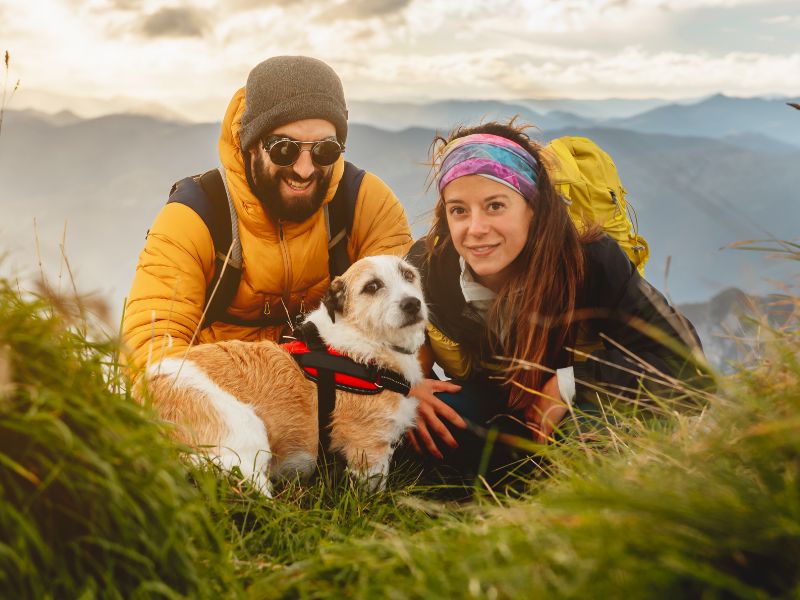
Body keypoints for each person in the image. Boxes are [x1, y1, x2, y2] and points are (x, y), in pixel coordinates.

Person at [405, 121, 706, 476]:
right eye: (459, 210)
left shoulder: (591, 261)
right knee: (413, 422)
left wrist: (570, 384)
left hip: (575, 416)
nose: (475, 229)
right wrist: (405, 388)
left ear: (533, 208)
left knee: (594, 437)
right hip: (491, 414)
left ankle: (583, 504)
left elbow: (688, 366)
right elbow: (375, 348)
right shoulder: (427, 267)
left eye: (495, 206)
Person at [122, 56, 412, 368]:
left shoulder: (364, 201)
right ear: (249, 144)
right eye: (284, 149)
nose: (304, 169)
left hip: (342, 390)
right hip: (222, 395)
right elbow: (151, 352)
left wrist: (402, 384)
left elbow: (406, 323)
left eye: (324, 150)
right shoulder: (196, 216)